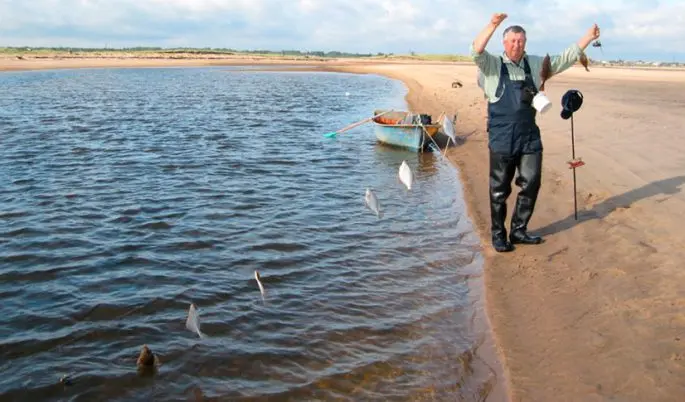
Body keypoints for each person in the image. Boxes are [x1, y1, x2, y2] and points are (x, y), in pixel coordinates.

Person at [471, 13, 600, 252]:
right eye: (512, 41)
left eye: (520, 41)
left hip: (529, 135)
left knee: (531, 183)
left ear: (525, 42)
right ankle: (499, 235)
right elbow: (476, 50)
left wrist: (587, 38)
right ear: (504, 42)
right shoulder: (492, 65)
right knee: (499, 190)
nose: (516, 45)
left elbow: (563, 59)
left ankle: (519, 230)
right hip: (501, 137)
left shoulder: (535, 64)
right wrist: (492, 24)